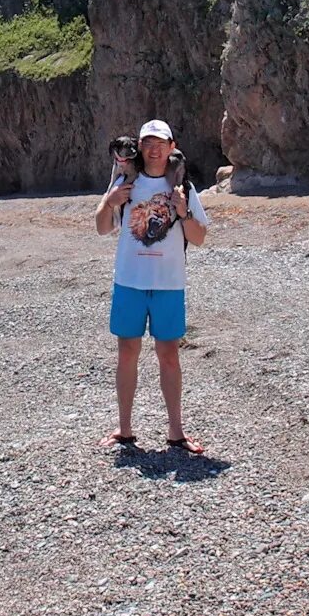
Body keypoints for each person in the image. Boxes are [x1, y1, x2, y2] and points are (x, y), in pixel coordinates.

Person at [94, 119, 209, 454]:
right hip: (129, 281)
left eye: (161, 143)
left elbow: (199, 238)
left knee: (169, 356)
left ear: (172, 147)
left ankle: (176, 433)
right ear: (141, 147)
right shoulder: (124, 182)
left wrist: (183, 212)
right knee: (127, 353)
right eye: (148, 143)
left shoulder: (181, 185)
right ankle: (125, 430)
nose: (154, 149)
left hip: (168, 284)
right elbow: (102, 228)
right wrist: (110, 201)